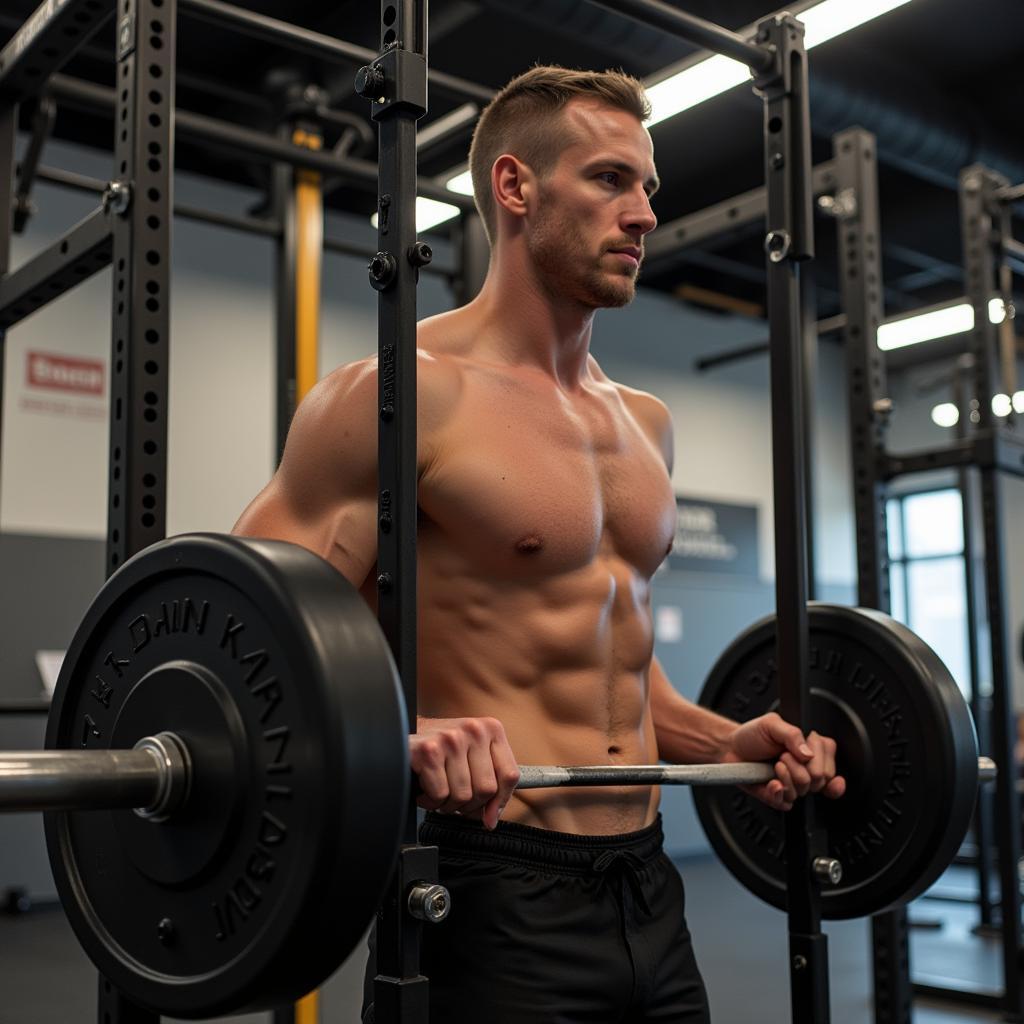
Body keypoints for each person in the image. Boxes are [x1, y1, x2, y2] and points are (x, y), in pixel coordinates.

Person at [234, 65, 845, 1024]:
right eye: (610, 180)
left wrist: (724, 739)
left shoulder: (645, 422)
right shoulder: (399, 393)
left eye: (649, 188)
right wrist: (393, 733)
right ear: (515, 188)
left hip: (648, 887)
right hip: (484, 882)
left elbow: (615, 662)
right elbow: (249, 641)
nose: (643, 213)